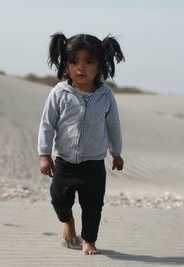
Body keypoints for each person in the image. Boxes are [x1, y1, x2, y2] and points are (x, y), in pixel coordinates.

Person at [38, 32, 125, 255]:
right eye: (74, 61)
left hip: (94, 163)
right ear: (65, 64)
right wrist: (45, 154)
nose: (80, 68)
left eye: (89, 61)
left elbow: (113, 126)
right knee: (59, 200)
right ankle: (67, 221)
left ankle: (89, 241)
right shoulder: (59, 93)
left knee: (93, 207)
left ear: (100, 65)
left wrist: (116, 153)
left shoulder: (105, 95)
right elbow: (47, 124)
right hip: (65, 161)